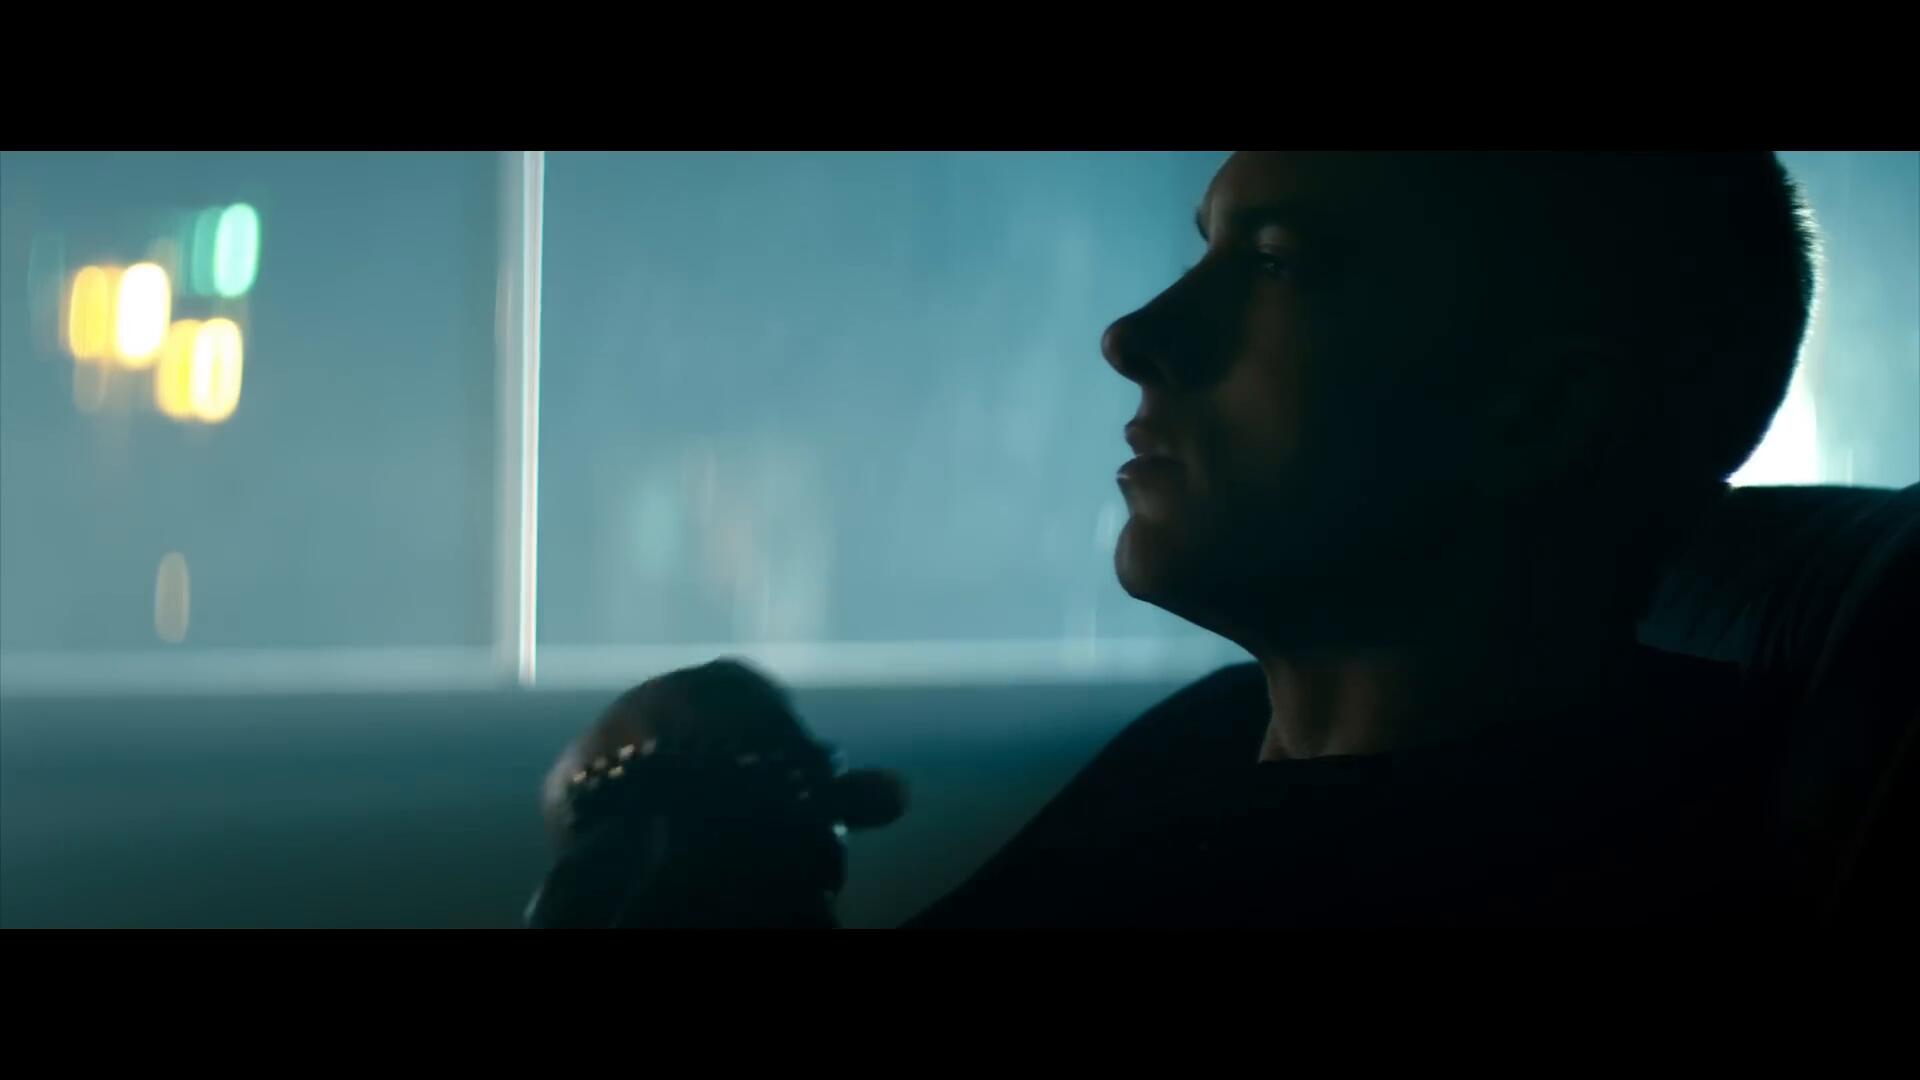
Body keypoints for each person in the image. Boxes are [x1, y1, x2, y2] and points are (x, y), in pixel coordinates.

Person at [527, 151, 1818, 928]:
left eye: (1281, 263)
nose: (1136, 334)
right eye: (1208, 248)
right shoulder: (1225, 739)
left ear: (1536, 407)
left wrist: (650, 808)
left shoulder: (1579, 869)